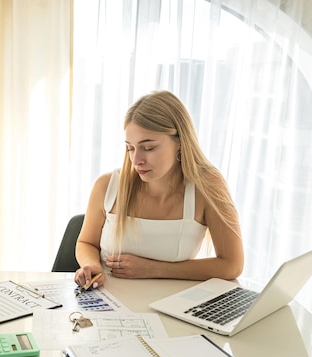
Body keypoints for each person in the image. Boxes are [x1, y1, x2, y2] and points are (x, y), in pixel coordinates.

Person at [74, 90, 244, 289]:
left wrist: (154, 269)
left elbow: (232, 265)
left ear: (180, 141)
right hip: (108, 304)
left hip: (170, 306)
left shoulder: (207, 186)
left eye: (149, 148)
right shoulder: (107, 186)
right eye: (130, 148)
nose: (136, 160)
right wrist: (91, 265)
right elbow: (86, 243)